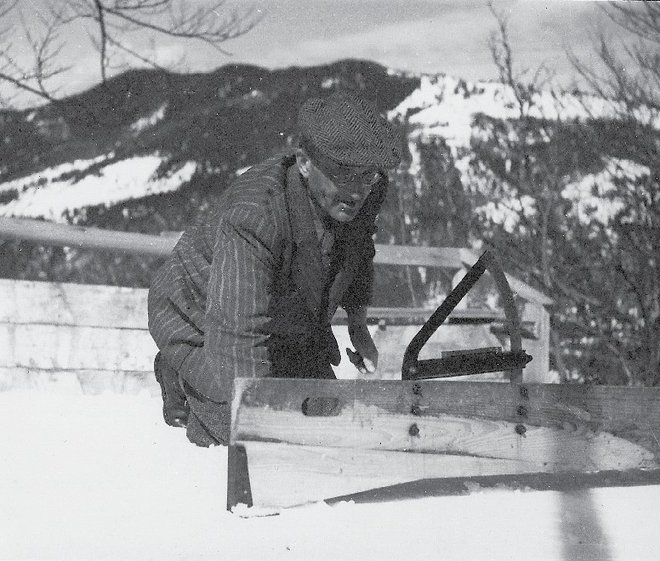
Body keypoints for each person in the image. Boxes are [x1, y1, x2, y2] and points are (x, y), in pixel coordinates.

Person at [147, 90, 401, 446]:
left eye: (367, 175)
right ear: (305, 162)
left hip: (284, 314)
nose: (356, 190)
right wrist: (261, 433)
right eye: (343, 173)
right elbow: (241, 339)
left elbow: (359, 249)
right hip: (201, 316)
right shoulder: (255, 216)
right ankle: (181, 373)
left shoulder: (365, 189)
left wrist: (357, 323)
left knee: (327, 418)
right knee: (246, 431)